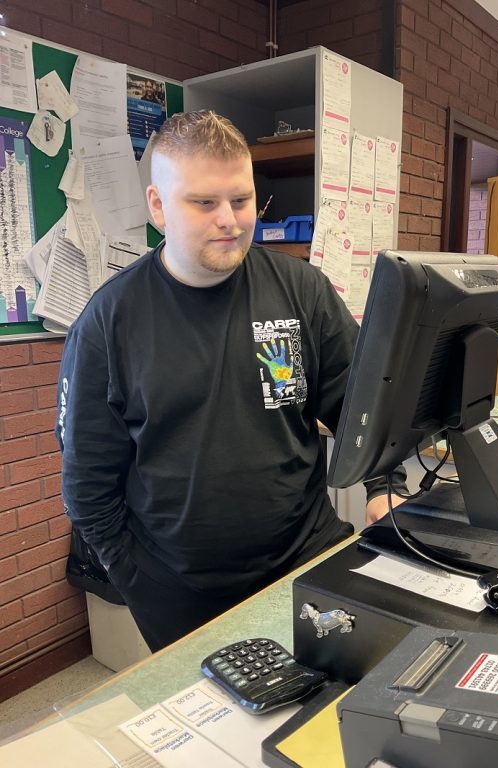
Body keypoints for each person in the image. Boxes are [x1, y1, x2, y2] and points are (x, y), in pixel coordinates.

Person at [56, 111, 406, 652]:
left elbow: (364, 411)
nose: (230, 220)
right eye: (204, 203)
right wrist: (140, 581)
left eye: (241, 201)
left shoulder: (302, 291)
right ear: (157, 206)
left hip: (306, 556)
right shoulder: (108, 323)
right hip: (180, 591)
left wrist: (386, 491)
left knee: (339, 704)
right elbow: (87, 485)